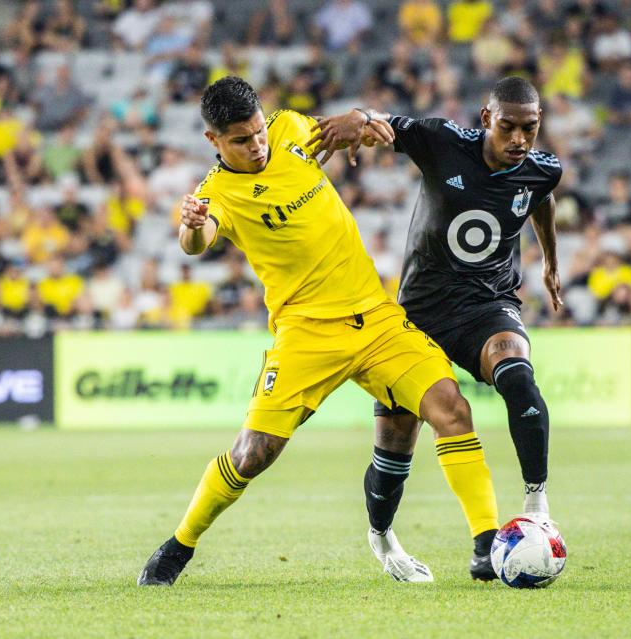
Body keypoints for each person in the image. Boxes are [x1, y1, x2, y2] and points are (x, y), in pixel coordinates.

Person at [137, 77, 500, 586]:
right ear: (213, 142)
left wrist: (358, 118)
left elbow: (339, 130)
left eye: (258, 131)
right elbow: (195, 242)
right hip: (305, 333)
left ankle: (488, 546)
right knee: (251, 455)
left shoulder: (288, 128)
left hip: (376, 320)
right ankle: (178, 548)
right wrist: (193, 223)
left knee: (451, 408)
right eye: (241, 140)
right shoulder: (217, 193)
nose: (257, 144)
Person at [312, 76, 562, 583]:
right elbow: (383, 124)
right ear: (486, 117)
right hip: (418, 315)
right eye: (508, 127)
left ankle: (531, 509)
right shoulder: (444, 142)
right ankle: (381, 536)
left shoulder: (542, 170)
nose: (519, 140)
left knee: (518, 376)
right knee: (394, 449)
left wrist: (551, 262)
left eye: (530, 130)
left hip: (487, 306)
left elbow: (540, 198)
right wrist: (357, 118)